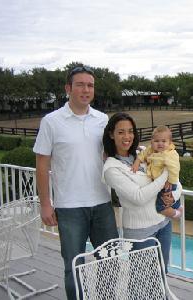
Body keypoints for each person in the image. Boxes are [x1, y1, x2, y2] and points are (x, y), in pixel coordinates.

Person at [33, 66, 118, 300]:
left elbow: (112, 155)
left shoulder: (102, 120)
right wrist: (45, 204)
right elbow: (42, 164)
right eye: (80, 84)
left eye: (90, 85)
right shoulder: (51, 121)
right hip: (69, 207)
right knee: (73, 266)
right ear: (68, 88)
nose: (86, 89)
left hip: (102, 203)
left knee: (109, 262)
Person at [102, 112, 181, 272]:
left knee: (162, 274)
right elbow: (139, 197)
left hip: (163, 223)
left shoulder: (145, 152)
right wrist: (166, 173)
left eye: (130, 131)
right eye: (121, 132)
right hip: (140, 232)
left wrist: (171, 196)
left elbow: (178, 183)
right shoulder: (111, 168)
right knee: (142, 281)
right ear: (111, 135)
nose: (127, 136)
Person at [131, 125, 183, 219]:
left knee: (161, 206)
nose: (160, 144)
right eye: (156, 141)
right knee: (166, 200)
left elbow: (175, 169)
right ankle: (177, 205)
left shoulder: (170, 154)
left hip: (168, 183)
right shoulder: (150, 149)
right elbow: (142, 155)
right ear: (152, 141)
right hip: (159, 182)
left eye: (164, 141)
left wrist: (170, 182)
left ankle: (176, 213)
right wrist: (137, 162)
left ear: (170, 142)